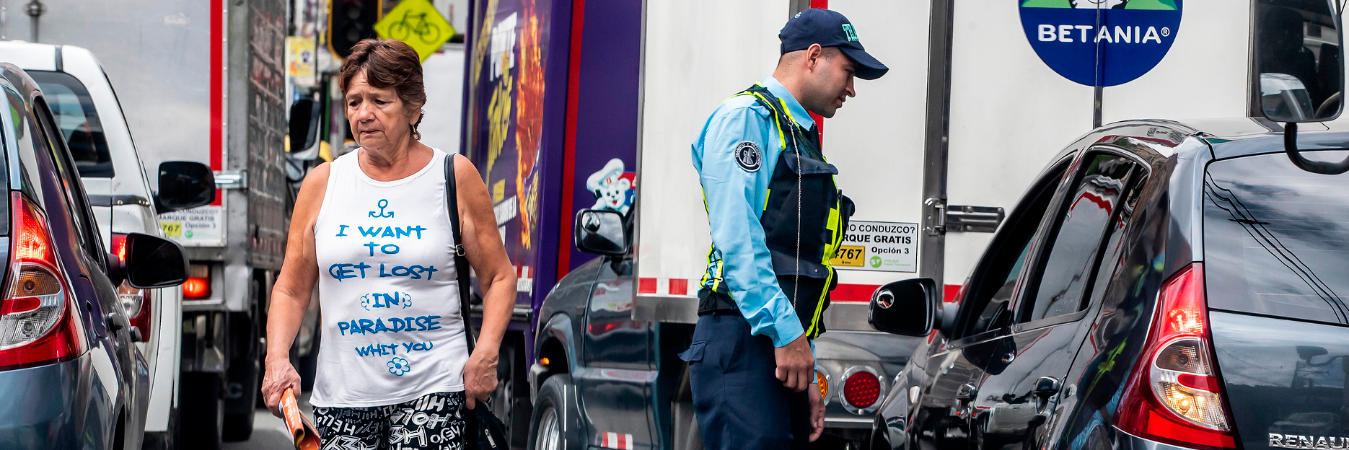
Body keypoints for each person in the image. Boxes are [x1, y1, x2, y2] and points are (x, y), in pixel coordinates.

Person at [260, 38, 517, 450]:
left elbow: (500, 276)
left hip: (435, 389)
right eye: (354, 101)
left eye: (379, 100)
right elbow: (292, 288)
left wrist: (485, 355)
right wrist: (277, 359)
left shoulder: (453, 177)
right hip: (342, 399)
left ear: (413, 106)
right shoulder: (323, 184)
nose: (363, 114)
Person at [683, 9, 887, 449]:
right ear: (813, 57)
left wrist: (805, 362)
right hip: (740, 338)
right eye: (848, 72)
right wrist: (787, 335)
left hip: (776, 346)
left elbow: (798, 259)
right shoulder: (745, 119)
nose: (851, 90)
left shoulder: (797, 131)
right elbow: (740, 241)